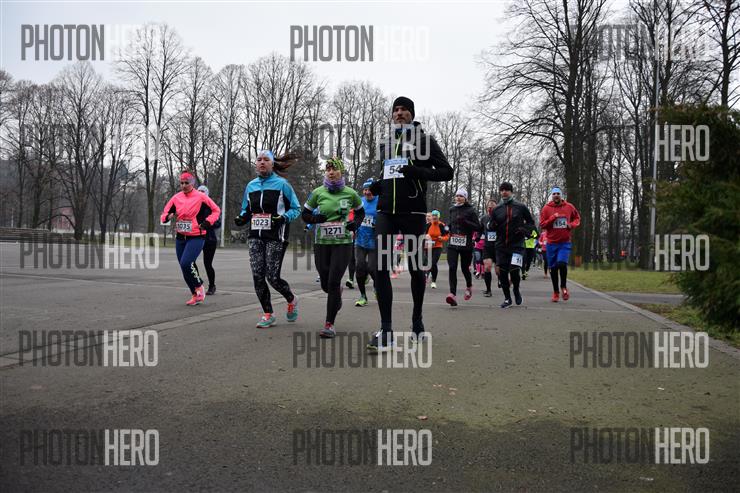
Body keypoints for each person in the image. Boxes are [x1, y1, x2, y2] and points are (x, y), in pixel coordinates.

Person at [367, 96, 453, 351]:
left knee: (416, 269)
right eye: (395, 110)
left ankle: (417, 320)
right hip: (386, 211)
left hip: (413, 212)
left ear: (412, 114)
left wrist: (417, 171)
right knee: (379, 267)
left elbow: (446, 172)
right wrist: (378, 185)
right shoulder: (386, 142)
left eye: (404, 109)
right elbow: (387, 172)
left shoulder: (424, 141)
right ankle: (386, 330)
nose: (399, 113)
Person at [234, 150, 301, 328]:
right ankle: (268, 314)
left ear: (272, 164)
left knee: (272, 277)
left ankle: (291, 299)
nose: (262, 162)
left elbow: (296, 208)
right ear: (256, 164)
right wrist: (242, 217)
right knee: (257, 275)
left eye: (266, 160)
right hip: (255, 236)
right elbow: (246, 209)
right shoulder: (251, 186)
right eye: (259, 159)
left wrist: (283, 218)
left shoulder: (282, 185)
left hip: (275, 236)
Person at [302, 157, 364, 338]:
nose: (330, 172)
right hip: (322, 243)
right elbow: (305, 214)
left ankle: (329, 324)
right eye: (328, 169)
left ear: (341, 171)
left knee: (333, 281)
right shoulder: (317, 192)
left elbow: (360, 213)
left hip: (343, 243)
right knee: (325, 282)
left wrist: (355, 224)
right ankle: (336, 295)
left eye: (334, 169)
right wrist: (315, 219)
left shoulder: (351, 193)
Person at [160, 171, 221, 306]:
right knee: (184, 267)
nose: (183, 185)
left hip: (197, 236)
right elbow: (165, 212)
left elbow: (216, 210)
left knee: (186, 263)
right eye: (181, 183)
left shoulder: (201, 197)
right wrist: (167, 217)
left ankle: (199, 286)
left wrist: (207, 222)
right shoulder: (176, 198)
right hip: (181, 237)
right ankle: (195, 294)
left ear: (192, 183)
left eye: (186, 183)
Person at [487, 182, 536, 308]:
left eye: (507, 190)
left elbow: (531, 223)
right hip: (501, 245)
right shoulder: (497, 209)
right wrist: (492, 226)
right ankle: (507, 298)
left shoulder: (521, 207)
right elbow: (491, 225)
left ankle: (516, 290)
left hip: (517, 245)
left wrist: (524, 230)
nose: (504, 192)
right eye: (502, 190)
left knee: (514, 270)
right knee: (502, 273)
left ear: (511, 192)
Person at [539, 187, 581, 302]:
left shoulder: (569, 207)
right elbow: (542, 224)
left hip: (564, 243)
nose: (556, 195)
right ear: (551, 196)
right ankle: (556, 292)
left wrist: (571, 225)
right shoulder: (546, 208)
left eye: (558, 193)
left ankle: (563, 286)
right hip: (551, 244)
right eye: (554, 194)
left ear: (561, 195)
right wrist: (553, 218)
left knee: (562, 263)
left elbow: (577, 218)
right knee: (553, 269)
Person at [445, 188, 481, 306]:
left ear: (465, 198)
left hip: (466, 244)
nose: (458, 198)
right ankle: (452, 294)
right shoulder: (452, 209)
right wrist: (447, 228)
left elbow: (478, 227)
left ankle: (469, 286)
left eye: (461, 196)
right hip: (452, 243)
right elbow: (450, 223)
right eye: (457, 196)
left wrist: (465, 222)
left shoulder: (471, 210)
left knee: (465, 268)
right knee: (452, 267)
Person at [354, 179, 379, 307]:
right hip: (360, 240)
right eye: (365, 190)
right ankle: (363, 296)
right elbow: (353, 216)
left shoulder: (380, 201)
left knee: (371, 268)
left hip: (374, 242)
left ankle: (376, 287)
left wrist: (378, 225)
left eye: (369, 189)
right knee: (359, 268)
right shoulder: (360, 201)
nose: (367, 192)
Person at [194, 185, 221, 295]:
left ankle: (212, 286)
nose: (200, 193)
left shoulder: (211, 206)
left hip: (209, 239)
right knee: (190, 262)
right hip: (196, 237)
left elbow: (218, 223)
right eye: (199, 191)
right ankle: (197, 282)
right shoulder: (193, 205)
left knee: (207, 264)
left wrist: (207, 224)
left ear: (207, 194)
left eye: (203, 192)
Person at [424, 210, 449, 289]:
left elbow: (447, 236)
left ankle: (433, 281)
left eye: (436, 216)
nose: (434, 217)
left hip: (438, 246)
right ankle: (426, 275)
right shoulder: (428, 225)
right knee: (429, 263)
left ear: (438, 217)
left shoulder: (442, 225)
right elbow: (423, 234)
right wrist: (425, 237)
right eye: (433, 216)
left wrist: (442, 238)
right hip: (428, 246)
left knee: (433, 263)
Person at [481, 199, 497, 297]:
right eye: (489, 207)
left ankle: (501, 280)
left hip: (498, 247)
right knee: (487, 267)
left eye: (492, 207)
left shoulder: (501, 217)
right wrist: (477, 237)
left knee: (498, 271)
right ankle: (488, 290)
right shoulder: (484, 218)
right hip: (487, 246)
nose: (490, 208)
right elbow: (479, 229)